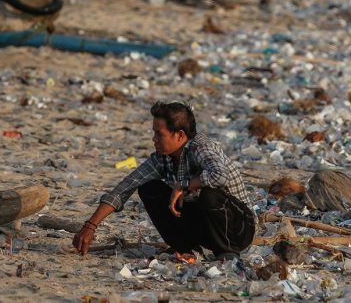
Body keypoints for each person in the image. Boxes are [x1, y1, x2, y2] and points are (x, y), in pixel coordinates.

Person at [73, 101, 255, 260]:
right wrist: (91, 225)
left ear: (180, 135)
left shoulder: (200, 146)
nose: (154, 139)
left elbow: (219, 175)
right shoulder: (162, 158)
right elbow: (125, 188)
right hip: (206, 226)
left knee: (209, 193)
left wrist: (184, 185)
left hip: (239, 229)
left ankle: (227, 253)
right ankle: (185, 248)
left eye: (159, 134)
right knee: (148, 188)